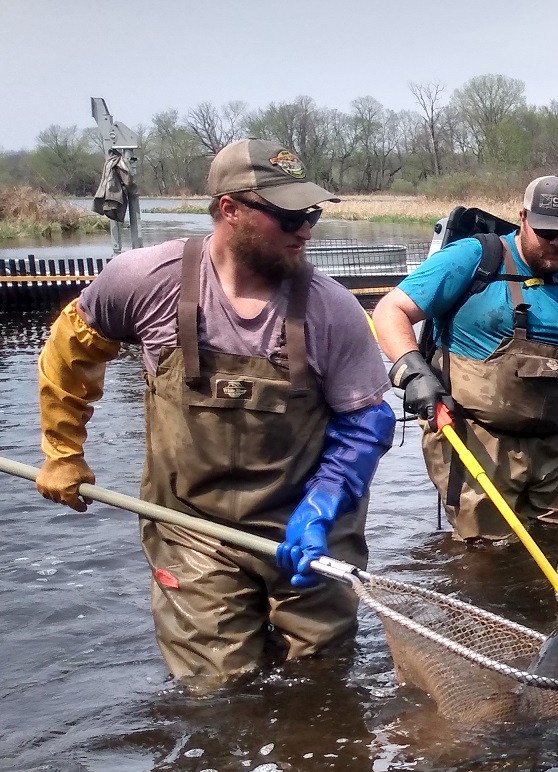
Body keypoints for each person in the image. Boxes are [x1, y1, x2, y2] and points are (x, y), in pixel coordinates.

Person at [35, 138, 396, 691]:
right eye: (289, 216)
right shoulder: (144, 281)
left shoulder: (332, 309)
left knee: (323, 681)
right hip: (191, 527)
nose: (306, 229)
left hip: (309, 529)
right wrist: (63, 453)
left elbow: (366, 422)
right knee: (217, 692)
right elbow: (69, 352)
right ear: (231, 210)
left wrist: (323, 504)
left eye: (313, 214)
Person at [371, 176, 558, 541]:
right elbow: (391, 310)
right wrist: (413, 373)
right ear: (523, 218)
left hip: (551, 443)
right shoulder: (475, 258)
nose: (555, 242)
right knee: (487, 557)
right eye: (545, 231)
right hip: (472, 436)